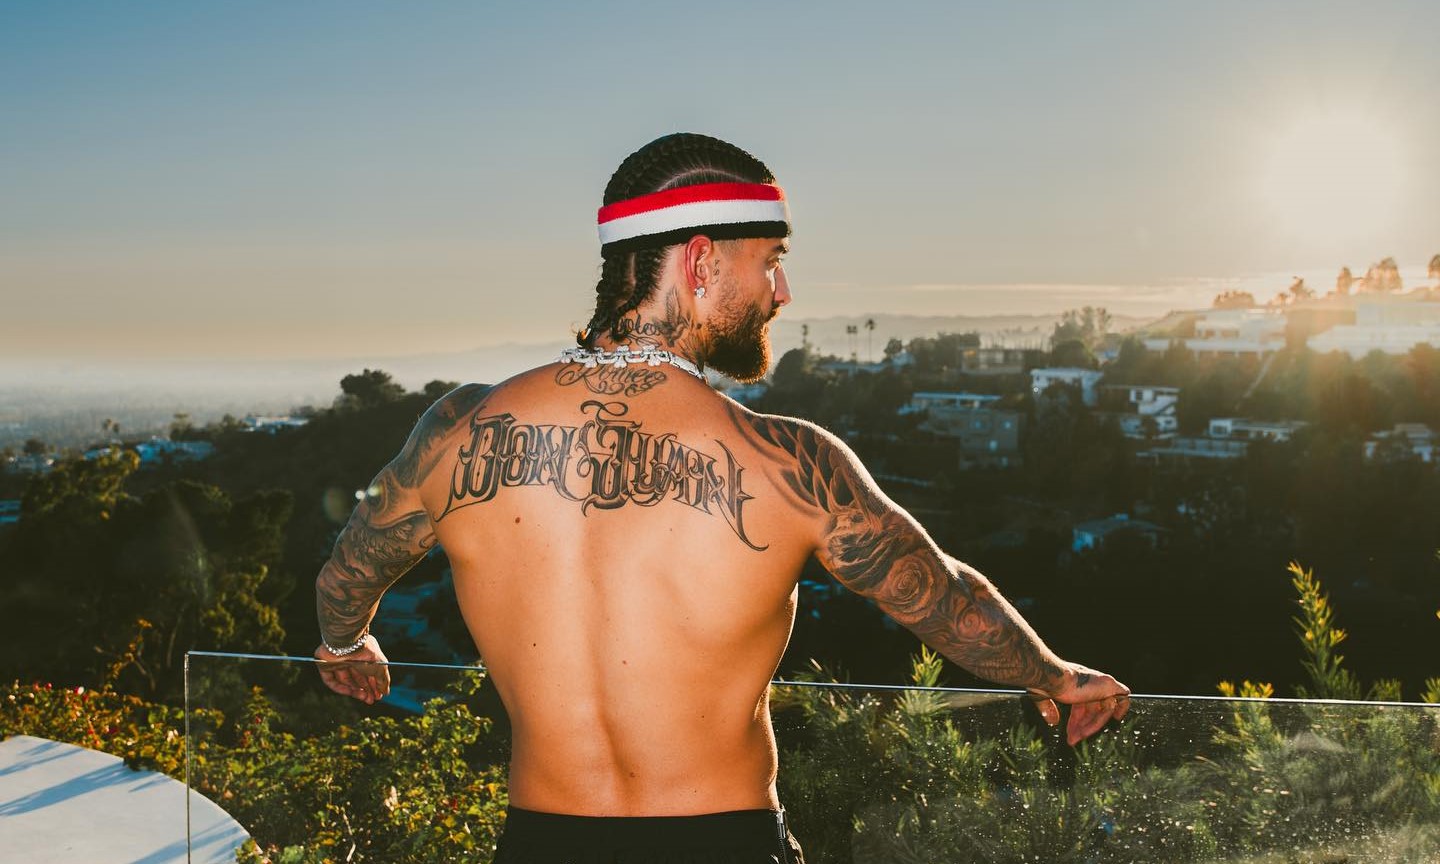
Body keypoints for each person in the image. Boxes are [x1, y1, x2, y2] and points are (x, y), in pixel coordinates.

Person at [313, 132, 1129, 863]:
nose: (782, 291)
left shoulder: (459, 429)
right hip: (721, 842)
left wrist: (346, 645)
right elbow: (944, 600)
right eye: (769, 260)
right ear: (701, 264)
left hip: (540, 842)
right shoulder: (786, 460)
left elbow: (350, 568)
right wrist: (1055, 677)